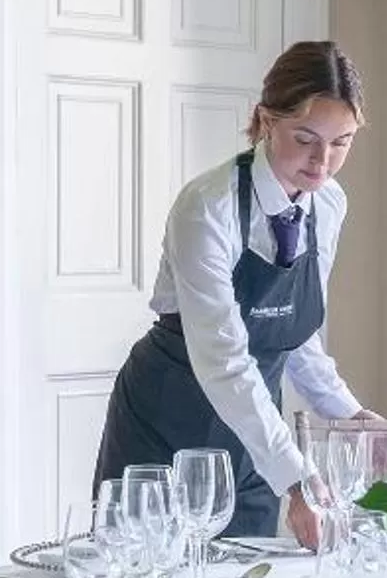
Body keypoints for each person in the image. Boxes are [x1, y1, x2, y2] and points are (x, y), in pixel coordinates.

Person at [92, 40, 368, 549]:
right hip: (169, 417)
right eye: (305, 138)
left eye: (341, 142)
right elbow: (222, 360)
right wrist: (297, 477)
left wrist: (352, 418)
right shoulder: (207, 208)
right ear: (265, 120)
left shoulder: (328, 205)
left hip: (252, 433)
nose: (322, 161)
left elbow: (294, 334)